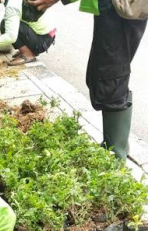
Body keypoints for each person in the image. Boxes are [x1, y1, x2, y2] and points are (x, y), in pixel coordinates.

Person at [28, 0, 146, 160]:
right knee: (100, 76)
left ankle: (115, 156)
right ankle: (119, 145)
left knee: (110, 78)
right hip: (117, 8)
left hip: (121, 9)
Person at [0, 0, 56, 66]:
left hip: (42, 41)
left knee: (4, 25)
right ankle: (27, 49)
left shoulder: (12, 5)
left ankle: (28, 54)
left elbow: (11, 36)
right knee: (5, 24)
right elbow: (12, 21)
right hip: (46, 37)